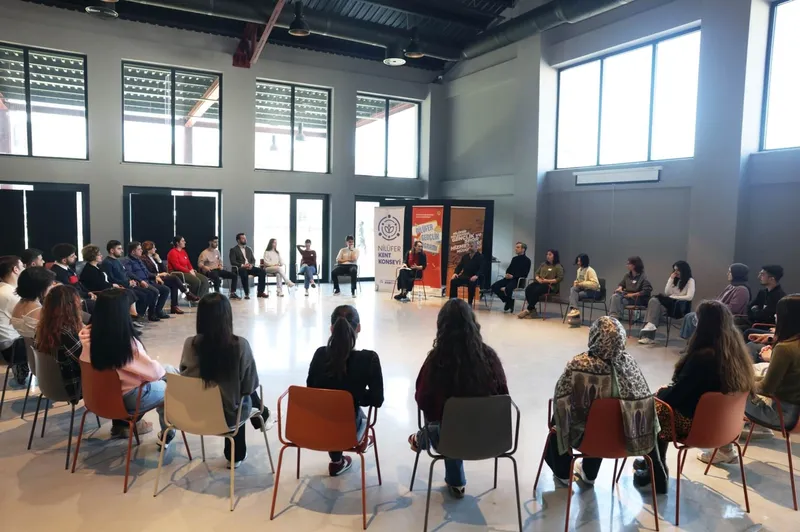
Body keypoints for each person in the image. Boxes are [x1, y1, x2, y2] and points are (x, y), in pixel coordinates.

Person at [631, 301, 754, 482]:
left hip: (697, 425)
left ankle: (656, 469)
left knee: (652, 408)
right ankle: (653, 463)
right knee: (660, 404)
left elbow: (677, 396)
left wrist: (659, 394)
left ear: (703, 324)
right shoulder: (737, 355)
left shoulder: (703, 357)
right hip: (725, 426)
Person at [547, 317, 661, 490]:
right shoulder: (630, 364)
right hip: (625, 439)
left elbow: (561, 400)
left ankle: (563, 473)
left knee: (560, 416)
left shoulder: (578, 365)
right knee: (605, 417)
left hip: (588, 439)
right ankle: (589, 473)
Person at [409, 298, 508, 498]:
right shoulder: (489, 357)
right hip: (490, 438)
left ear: (441, 327)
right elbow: (503, 395)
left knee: (445, 423)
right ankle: (428, 444)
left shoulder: (436, 361)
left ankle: (423, 440)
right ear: (473, 323)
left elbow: (422, 400)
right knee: (455, 421)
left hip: (450, 440)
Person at [698, 294, 800, 464]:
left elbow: (766, 388)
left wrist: (739, 381)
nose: (775, 316)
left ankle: (725, 449)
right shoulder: (792, 345)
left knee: (724, 390)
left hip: (779, 415)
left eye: (778, 313)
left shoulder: (785, 349)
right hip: (795, 414)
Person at [180, 293, 272, 468]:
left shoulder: (189, 344)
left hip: (194, 414)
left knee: (230, 394)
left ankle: (264, 414)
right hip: (228, 419)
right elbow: (249, 386)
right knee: (239, 396)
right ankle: (236, 455)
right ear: (227, 316)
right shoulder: (240, 345)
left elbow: (185, 377)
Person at [79, 289, 176, 443]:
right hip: (124, 399)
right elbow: (154, 373)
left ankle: (122, 426)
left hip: (97, 397)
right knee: (171, 386)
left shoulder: (88, 336)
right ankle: (167, 434)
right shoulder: (124, 343)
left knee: (169, 370)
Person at [306, 305, 383, 476]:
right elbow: (377, 399)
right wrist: (356, 395)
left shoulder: (319, 354)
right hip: (348, 431)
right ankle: (361, 440)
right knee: (352, 412)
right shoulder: (369, 359)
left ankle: (336, 461)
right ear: (359, 328)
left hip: (315, 428)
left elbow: (311, 389)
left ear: (331, 329)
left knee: (333, 408)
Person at [34, 285, 85, 403]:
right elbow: (86, 361)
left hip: (49, 384)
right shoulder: (66, 333)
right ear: (71, 307)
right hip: (72, 387)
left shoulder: (42, 328)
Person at [680, 263, 751, 341]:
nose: (727, 274)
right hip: (719, 313)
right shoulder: (730, 286)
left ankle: (697, 343)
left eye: (730, 272)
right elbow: (718, 300)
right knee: (689, 316)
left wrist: (713, 308)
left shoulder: (742, 290)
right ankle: (691, 342)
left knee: (693, 317)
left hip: (729, 317)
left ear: (737, 274)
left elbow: (733, 309)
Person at [638, 261, 696, 345]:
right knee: (653, 301)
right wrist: (671, 279)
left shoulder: (690, 281)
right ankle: (650, 327)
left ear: (683, 270)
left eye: (678, 270)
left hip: (679, 307)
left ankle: (649, 335)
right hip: (670, 304)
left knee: (654, 311)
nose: (676, 272)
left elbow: (689, 297)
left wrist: (674, 297)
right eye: (674, 270)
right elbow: (667, 292)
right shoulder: (675, 280)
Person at [103, 240, 157, 323]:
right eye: (119, 249)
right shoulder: (107, 263)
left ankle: (139, 315)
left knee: (150, 293)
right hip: (120, 287)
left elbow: (125, 274)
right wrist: (127, 283)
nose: (122, 251)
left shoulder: (117, 261)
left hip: (128, 284)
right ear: (112, 250)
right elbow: (111, 279)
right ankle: (134, 318)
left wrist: (131, 281)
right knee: (144, 295)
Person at [141, 240, 197, 314]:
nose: (155, 249)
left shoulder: (154, 258)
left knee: (174, 283)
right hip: (153, 279)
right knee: (174, 278)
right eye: (154, 248)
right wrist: (158, 275)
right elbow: (146, 272)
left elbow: (164, 270)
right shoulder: (143, 259)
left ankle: (174, 306)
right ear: (148, 249)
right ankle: (186, 293)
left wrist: (159, 260)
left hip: (160, 277)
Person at [125, 241, 171, 321]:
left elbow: (146, 272)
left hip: (148, 281)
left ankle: (158, 311)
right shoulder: (127, 261)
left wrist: (155, 276)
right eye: (139, 249)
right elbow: (129, 273)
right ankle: (149, 313)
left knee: (165, 289)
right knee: (154, 291)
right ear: (133, 252)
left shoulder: (138, 260)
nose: (141, 250)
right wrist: (140, 281)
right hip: (139, 283)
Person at [0, 256, 28, 384]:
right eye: (22, 266)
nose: (24, 269)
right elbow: (29, 320)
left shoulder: (4, 289)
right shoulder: (10, 294)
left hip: (6, 343)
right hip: (12, 347)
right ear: (15, 269)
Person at [11, 266, 56, 339]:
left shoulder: (19, 304)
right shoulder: (39, 311)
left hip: (26, 344)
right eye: (49, 285)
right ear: (40, 288)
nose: (52, 286)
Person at [518, 249, 564, 319]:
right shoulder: (543, 264)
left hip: (550, 286)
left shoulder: (558, 266)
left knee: (536, 291)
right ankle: (532, 309)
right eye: (547, 254)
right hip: (540, 283)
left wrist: (547, 280)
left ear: (555, 256)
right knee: (528, 289)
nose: (547, 256)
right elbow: (537, 273)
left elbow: (559, 278)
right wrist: (538, 279)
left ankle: (529, 309)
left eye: (550, 254)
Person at [50, 243, 95, 312]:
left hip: (81, 297)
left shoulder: (67, 268)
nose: (76, 257)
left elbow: (78, 283)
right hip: (73, 303)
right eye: (72, 256)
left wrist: (89, 292)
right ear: (64, 260)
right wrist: (87, 295)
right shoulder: (58, 273)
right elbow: (71, 290)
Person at [490, 242, 532, 313]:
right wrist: (507, 274)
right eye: (516, 247)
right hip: (509, 279)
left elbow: (524, 274)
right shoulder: (514, 259)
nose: (516, 249)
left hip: (518, 280)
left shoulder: (527, 261)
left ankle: (509, 302)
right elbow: (509, 269)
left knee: (508, 288)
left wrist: (513, 276)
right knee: (494, 286)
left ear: (523, 249)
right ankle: (508, 301)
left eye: (518, 247)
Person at [742, 265, 786, 331]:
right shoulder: (762, 293)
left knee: (742, 329)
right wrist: (757, 312)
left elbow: (766, 317)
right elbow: (749, 307)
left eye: (762, 274)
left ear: (772, 279)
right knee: (735, 323)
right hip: (754, 323)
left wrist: (755, 310)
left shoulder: (779, 297)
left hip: (767, 327)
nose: (759, 277)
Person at [166, 235, 209, 300]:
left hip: (186, 271)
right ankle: (192, 298)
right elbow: (176, 266)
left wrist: (191, 269)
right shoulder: (172, 252)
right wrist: (189, 271)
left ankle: (199, 298)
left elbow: (188, 263)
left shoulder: (183, 251)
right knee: (196, 281)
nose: (185, 242)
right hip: (177, 273)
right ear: (177, 243)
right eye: (183, 241)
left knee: (204, 280)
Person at [228, 233, 267, 300]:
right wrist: (243, 265)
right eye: (243, 238)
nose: (245, 239)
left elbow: (253, 260)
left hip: (249, 267)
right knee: (244, 272)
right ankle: (247, 293)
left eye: (245, 238)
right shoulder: (233, 250)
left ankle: (260, 292)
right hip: (240, 268)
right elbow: (233, 262)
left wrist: (251, 265)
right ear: (238, 240)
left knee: (262, 271)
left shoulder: (249, 249)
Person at [566, 254, 601, 325]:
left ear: (584, 261)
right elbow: (579, 280)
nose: (578, 263)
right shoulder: (579, 270)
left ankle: (575, 316)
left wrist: (581, 284)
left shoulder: (590, 270)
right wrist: (576, 282)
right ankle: (575, 310)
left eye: (580, 261)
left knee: (572, 297)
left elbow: (595, 284)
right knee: (573, 289)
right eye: (578, 261)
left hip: (594, 292)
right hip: (584, 290)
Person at [448, 239, 484, 306]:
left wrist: (476, 275)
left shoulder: (480, 257)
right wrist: (455, 273)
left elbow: (482, 269)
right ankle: (453, 301)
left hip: (474, 276)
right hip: (465, 275)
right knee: (453, 281)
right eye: (469, 246)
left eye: (471, 246)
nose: (470, 248)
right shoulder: (465, 256)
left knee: (471, 282)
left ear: (476, 247)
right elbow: (459, 266)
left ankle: (470, 303)